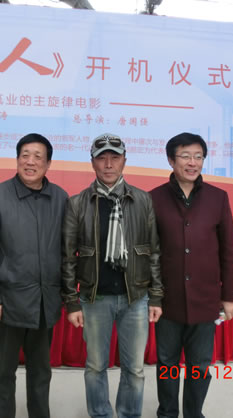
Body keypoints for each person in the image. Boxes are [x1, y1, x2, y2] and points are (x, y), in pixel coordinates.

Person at [62, 133, 163, 418]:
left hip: (136, 298)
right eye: (102, 158)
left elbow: (154, 252)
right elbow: (68, 257)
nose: (108, 164)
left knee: (135, 369)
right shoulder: (78, 204)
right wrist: (71, 301)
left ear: (124, 162)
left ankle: (129, 413)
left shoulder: (142, 200)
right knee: (96, 366)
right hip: (95, 298)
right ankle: (101, 414)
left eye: (114, 158)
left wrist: (156, 296)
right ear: (92, 163)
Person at [150, 132, 233, 418]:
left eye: (198, 157)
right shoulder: (153, 199)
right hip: (168, 299)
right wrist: (153, 296)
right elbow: (149, 252)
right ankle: (167, 412)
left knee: (200, 364)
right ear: (171, 160)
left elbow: (228, 251)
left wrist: (230, 296)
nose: (193, 163)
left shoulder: (218, 198)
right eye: (185, 156)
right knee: (167, 362)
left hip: (205, 298)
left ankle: (193, 413)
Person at [0, 133, 68, 418]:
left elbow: (67, 252)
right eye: (25, 155)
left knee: (41, 372)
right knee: (4, 373)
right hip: (8, 303)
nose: (30, 162)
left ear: (48, 163)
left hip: (44, 302)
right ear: (17, 160)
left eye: (38, 157)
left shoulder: (60, 198)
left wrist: (67, 297)